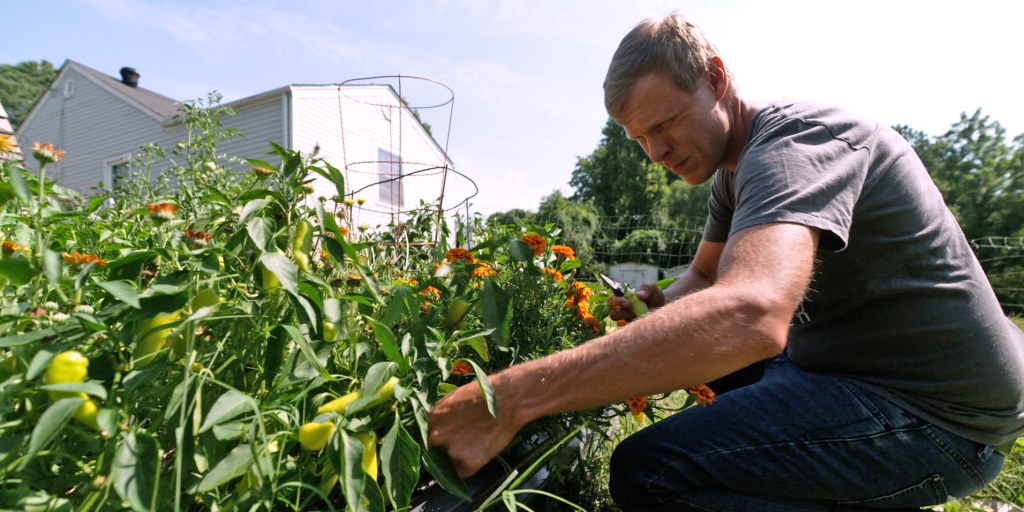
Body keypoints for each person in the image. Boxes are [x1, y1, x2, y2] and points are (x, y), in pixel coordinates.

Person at [427, 12, 1024, 511]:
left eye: (663, 124)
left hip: (940, 419)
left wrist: (514, 394)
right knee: (685, 351)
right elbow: (706, 280)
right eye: (640, 139)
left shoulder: (798, 143)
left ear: (715, 79)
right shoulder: (733, 176)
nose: (655, 152)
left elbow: (752, 312)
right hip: (848, 373)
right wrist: (653, 308)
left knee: (652, 471)